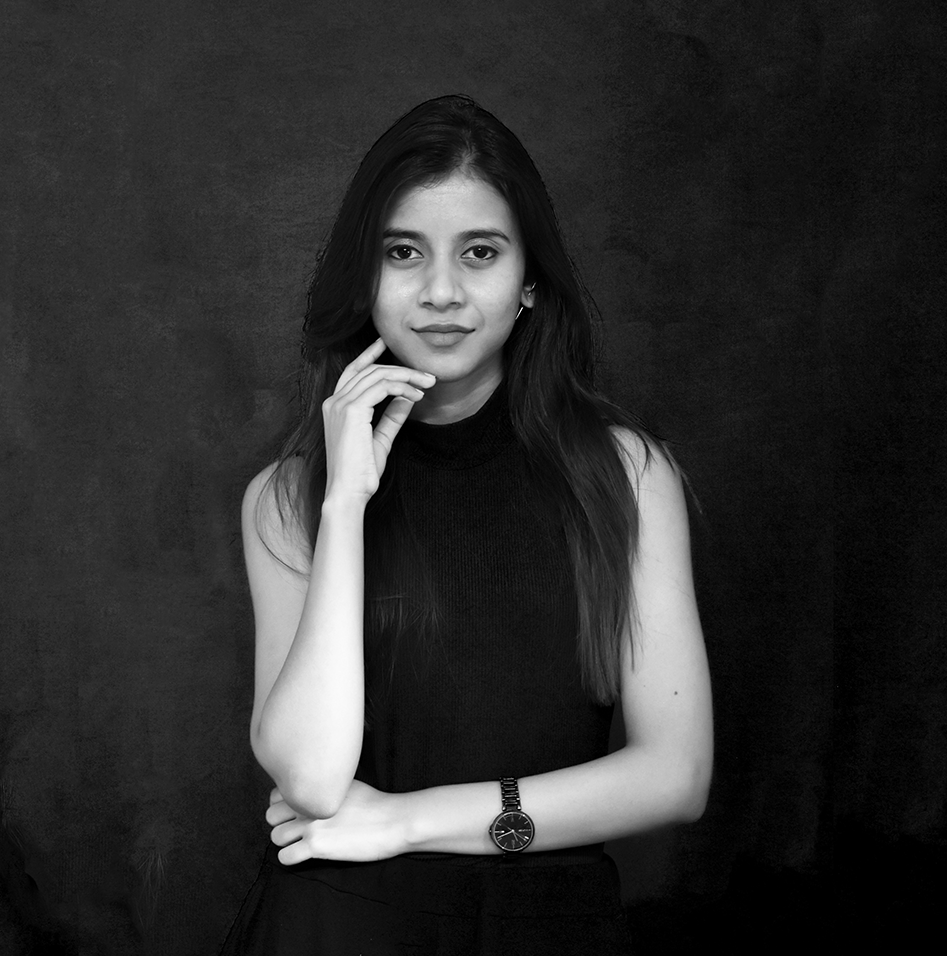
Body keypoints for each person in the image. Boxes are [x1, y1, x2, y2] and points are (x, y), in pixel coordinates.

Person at [219, 95, 713, 955]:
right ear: (363, 279)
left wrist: (404, 821)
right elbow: (312, 779)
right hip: (339, 924)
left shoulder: (623, 475)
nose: (440, 292)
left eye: (479, 252)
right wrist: (344, 505)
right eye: (402, 253)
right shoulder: (289, 498)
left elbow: (676, 776)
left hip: (549, 926)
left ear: (529, 280)